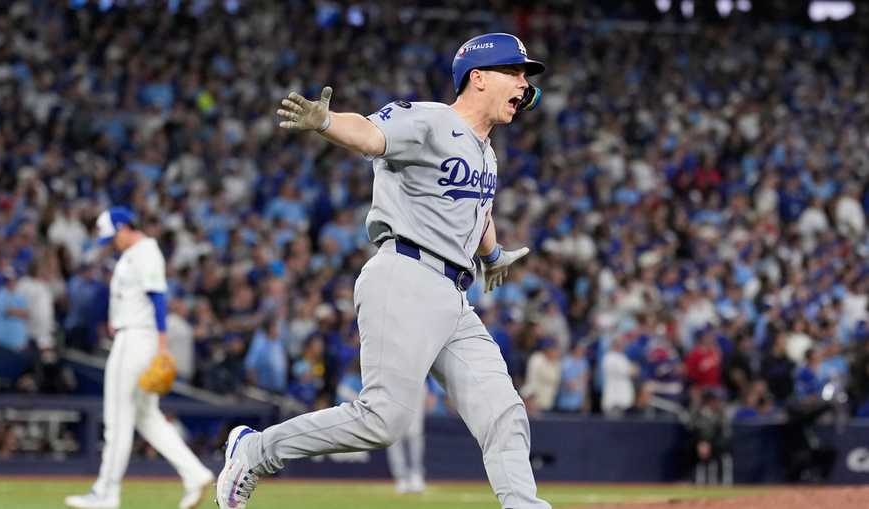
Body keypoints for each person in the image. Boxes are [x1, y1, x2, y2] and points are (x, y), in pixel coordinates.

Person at [216, 33, 550, 509]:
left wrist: (494, 255)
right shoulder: (431, 119)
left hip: (454, 296)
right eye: (514, 72)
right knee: (382, 421)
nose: (524, 83)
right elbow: (371, 134)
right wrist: (327, 121)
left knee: (503, 411)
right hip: (406, 275)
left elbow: (478, 211)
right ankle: (255, 450)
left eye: (525, 76)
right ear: (478, 77)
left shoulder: (486, 151)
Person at [65, 207, 213, 509]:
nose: (111, 242)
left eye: (112, 236)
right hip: (137, 336)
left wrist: (162, 344)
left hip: (135, 339)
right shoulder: (136, 253)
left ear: (123, 227)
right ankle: (195, 474)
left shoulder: (144, 251)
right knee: (147, 417)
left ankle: (106, 492)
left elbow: (158, 297)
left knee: (117, 419)